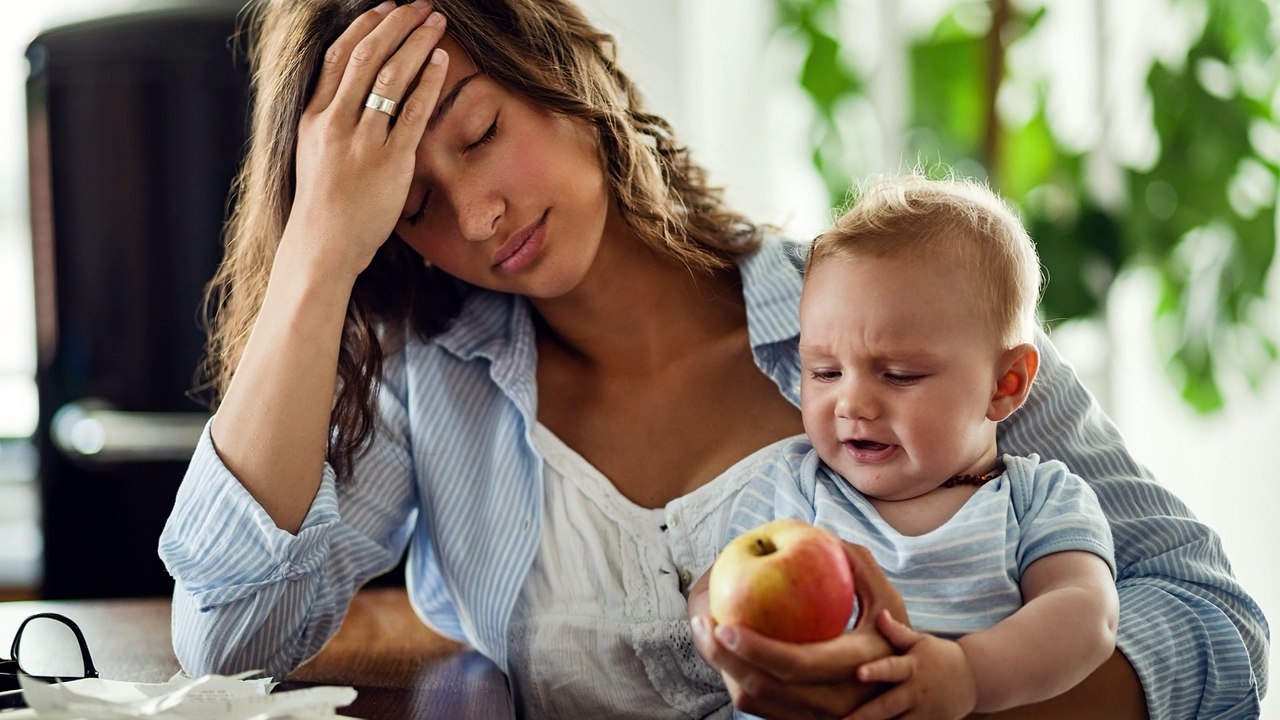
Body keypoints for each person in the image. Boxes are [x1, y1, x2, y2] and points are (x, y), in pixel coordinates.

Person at [156, 0, 1268, 717]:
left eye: (481, 133)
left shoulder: (896, 327)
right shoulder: (434, 387)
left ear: (561, 69)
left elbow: (1216, 626)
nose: (478, 215)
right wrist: (314, 257)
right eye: (409, 206)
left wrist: (945, 695)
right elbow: (230, 639)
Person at [688, 173, 1120, 719]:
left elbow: (1087, 615)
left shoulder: (1038, 499)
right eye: (824, 372)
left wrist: (970, 674)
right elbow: (714, 589)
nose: (851, 404)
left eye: (898, 375)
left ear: (1004, 384)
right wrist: (724, 641)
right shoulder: (792, 487)